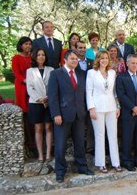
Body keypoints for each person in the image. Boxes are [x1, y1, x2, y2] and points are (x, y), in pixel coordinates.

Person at [48, 50, 94, 183]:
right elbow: (53, 96)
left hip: (79, 115)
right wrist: (56, 113)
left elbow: (85, 94)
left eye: (76, 59)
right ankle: (60, 171)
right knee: (60, 145)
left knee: (80, 143)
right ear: (65, 60)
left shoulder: (81, 74)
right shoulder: (56, 74)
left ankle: (82, 167)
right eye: (72, 59)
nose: (75, 61)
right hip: (62, 115)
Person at [86, 51, 122, 173]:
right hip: (97, 108)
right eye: (102, 58)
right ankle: (101, 163)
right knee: (100, 135)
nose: (104, 60)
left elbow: (115, 92)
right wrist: (91, 108)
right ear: (97, 59)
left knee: (113, 135)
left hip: (111, 106)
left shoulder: (112, 73)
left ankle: (116, 162)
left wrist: (118, 107)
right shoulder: (91, 73)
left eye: (106, 58)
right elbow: (88, 92)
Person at [116, 54, 137, 171]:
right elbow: (121, 95)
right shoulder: (121, 77)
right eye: (133, 63)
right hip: (127, 113)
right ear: (127, 63)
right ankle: (126, 161)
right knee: (127, 138)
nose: (135, 65)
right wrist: (133, 107)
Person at [26, 48, 54, 163]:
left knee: (48, 127)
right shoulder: (30, 71)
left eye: (43, 55)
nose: (41, 57)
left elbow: (53, 86)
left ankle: (48, 154)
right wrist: (39, 98)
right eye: (38, 55)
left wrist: (47, 98)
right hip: (36, 102)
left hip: (49, 102)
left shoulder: (51, 70)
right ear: (35, 57)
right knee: (38, 128)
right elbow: (30, 87)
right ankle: (40, 155)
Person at [74, 41, 94, 155]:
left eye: (84, 48)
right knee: (80, 123)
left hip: (91, 96)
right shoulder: (73, 63)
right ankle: (80, 148)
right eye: (80, 48)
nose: (82, 49)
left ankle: (91, 147)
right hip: (79, 97)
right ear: (76, 49)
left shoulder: (92, 62)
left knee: (91, 122)